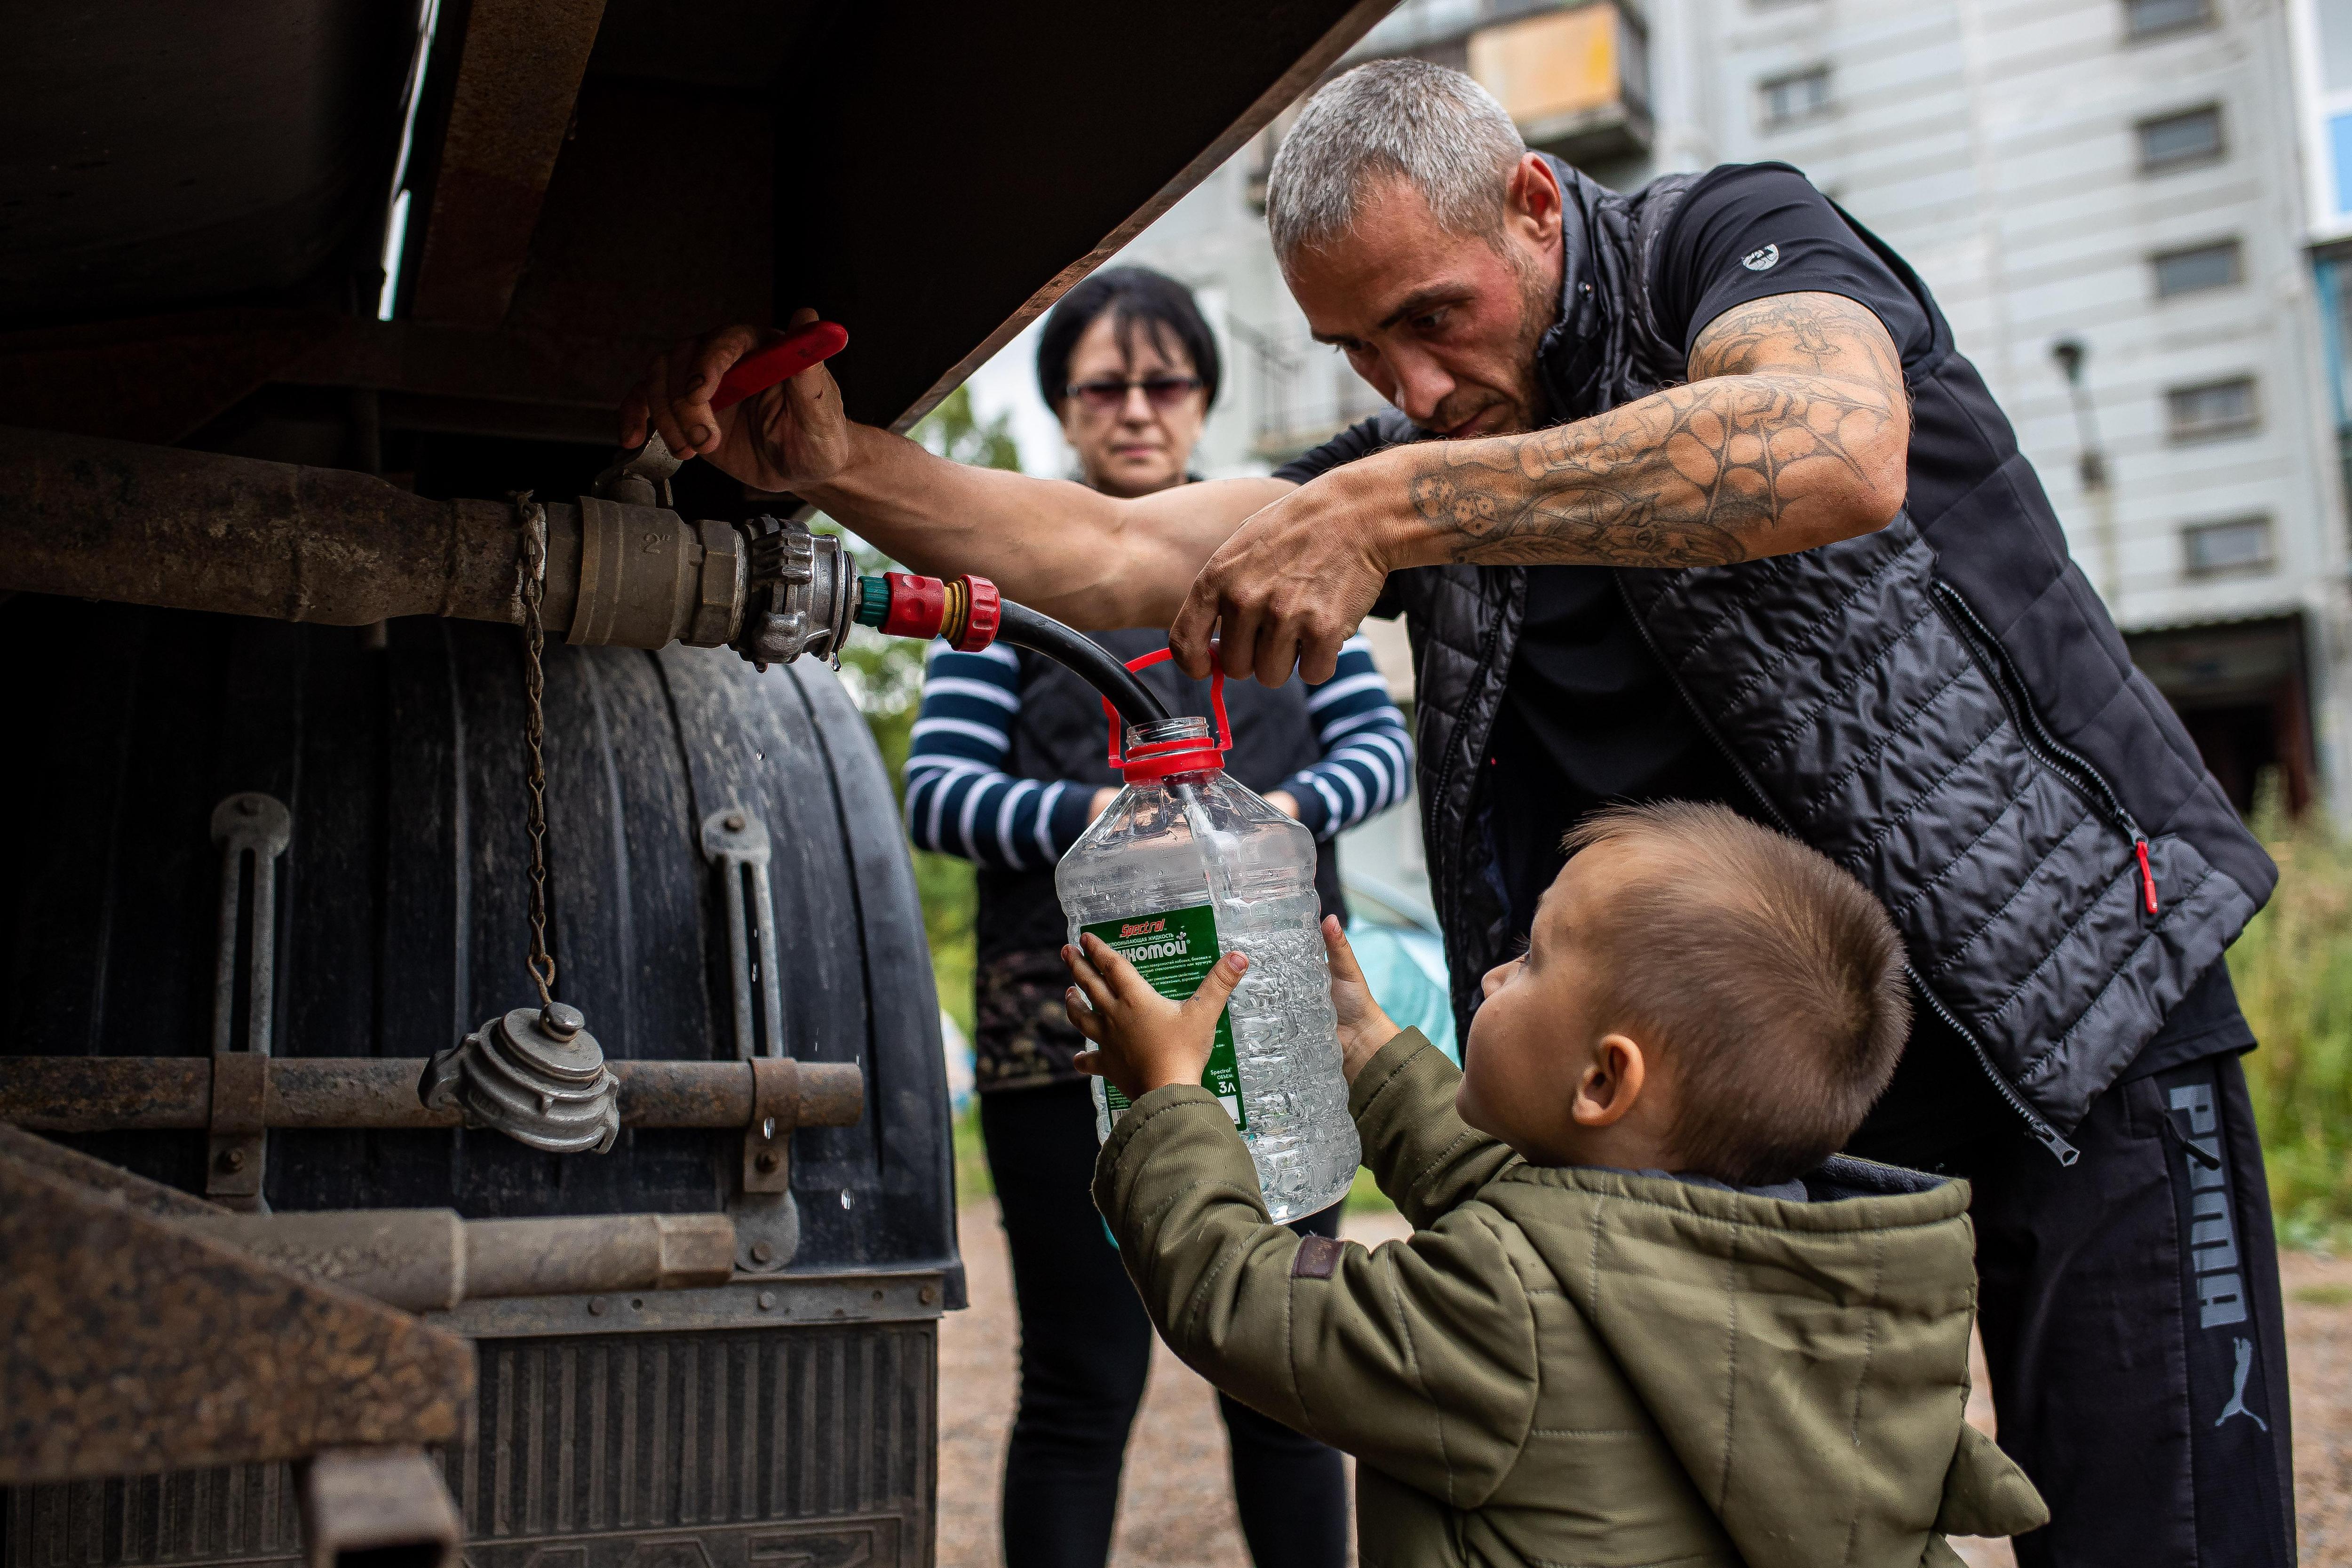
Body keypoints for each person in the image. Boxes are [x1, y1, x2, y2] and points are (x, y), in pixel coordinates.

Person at [624, 60, 2293, 1564]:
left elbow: (1833, 442)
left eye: (1435, 316)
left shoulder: (1733, 241)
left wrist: (1388, 507)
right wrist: (840, 463)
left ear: (1535, 205)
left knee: (2156, 1528)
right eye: (1359, 352)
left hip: (2068, 1025)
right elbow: (1121, 551)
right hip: (1747, 1118)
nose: (1414, 386)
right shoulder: (1429, 454)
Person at [1061, 801, 2050, 1567]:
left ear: (1603, 1079)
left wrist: (1170, 1096)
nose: (1494, 977)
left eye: (1531, 959)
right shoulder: (1789, 1260)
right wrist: (1372, 1054)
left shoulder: (1504, 1314)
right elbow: (1542, 1216)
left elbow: (1241, 1299)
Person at [901, 267, 1410, 1568]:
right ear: (1066, 410)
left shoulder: (1291, 548)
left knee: (1293, 1384)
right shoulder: (1000, 592)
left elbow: (1380, 751)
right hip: (1066, 1033)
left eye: (1163, 380)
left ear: (1201, 398)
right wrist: (1144, 826)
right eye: (1102, 385)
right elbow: (942, 793)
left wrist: (1263, 817)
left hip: (1279, 1022)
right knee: (1080, 1386)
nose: (1136, 408)